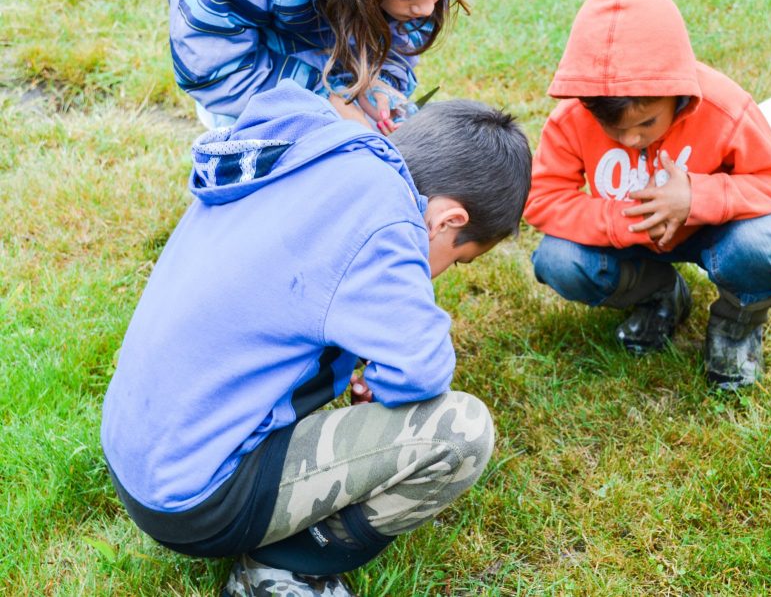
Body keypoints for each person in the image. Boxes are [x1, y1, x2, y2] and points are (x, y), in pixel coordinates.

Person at [100, 80, 532, 596]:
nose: (441, 274)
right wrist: (391, 383)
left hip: (141, 449)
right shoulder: (384, 218)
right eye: (456, 260)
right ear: (448, 221)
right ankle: (282, 567)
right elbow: (424, 368)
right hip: (193, 500)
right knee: (460, 432)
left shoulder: (316, 146)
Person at [523, 0, 771, 390]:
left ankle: (735, 326)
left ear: (678, 93)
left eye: (647, 123)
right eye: (614, 131)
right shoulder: (572, 119)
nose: (631, 139)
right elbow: (542, 199)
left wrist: (696, 197)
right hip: (629, 243)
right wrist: (620, 219)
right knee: (557, 260)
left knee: (763, 245)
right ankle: (659, 295)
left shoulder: (725, 107)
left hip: (716, 234)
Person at [162, 0, 482, 130]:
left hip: (326, 13)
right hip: (246, 71)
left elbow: (399, 33)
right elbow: (216, 70)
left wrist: (380, 80)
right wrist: (323, 103)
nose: (427, 9)